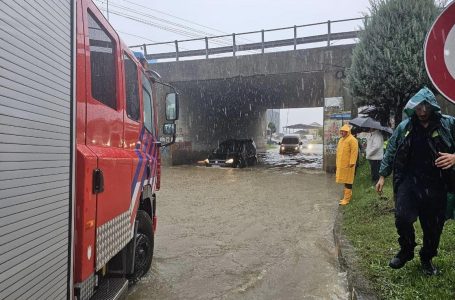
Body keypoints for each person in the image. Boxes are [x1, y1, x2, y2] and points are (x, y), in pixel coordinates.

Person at [376, 87, 455, 276]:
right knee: (402, 217)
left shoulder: (448, 124)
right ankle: (407, 249)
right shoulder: (405, 127)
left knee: (433, 229)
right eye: (419, 108)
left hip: (438, 185)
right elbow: (392, 150)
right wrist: (382, 175)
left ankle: (426, 258)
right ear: (413, 108)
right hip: (409, 183)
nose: (422, 112)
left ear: (433, 107)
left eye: (426, 107)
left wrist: (454, 157)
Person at [336, 124, 359, 206]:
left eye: (344, 131)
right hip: (342, 165)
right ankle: (346, 197)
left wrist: (352, 162)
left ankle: (347, 199)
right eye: (341, 131)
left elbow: (354, 152)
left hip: (349, 165)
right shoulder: (341, 140)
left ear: (347, 132)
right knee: (345, 181)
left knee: (348, 181)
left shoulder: (352, 140)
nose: (342, 132)